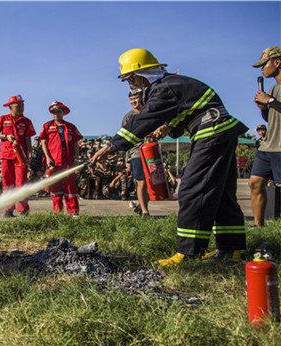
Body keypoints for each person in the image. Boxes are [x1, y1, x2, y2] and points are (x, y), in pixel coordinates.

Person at [91, 48, 248, 266]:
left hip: (211, 133)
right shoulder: (171, 85)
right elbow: (182, 114)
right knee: (220, 193)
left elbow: (143, 119)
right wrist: (167, 127)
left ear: (140, 75)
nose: (132, 84)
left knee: (192, 190)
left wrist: (112, 146)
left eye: (131, 79)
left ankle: (189, 253)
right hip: (221, 132)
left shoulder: (163, 88)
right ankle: (232, 249)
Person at [249, 45, 281, 227]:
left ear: (277, 62)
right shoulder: (274, 89)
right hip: (268, 146)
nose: (262, 68)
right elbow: (272, 118)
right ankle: (258, 225)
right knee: (255, 183)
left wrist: (269, 101)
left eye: (264, 64)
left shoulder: (274, 94)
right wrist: (264, 108)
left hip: (280, 147)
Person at [0, 95, 36, 217]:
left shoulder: (27, 121)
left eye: (22, 105)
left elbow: (28, 138)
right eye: (18, 105)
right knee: (7, 183)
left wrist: (30, 151)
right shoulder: (3, 119)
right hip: (6, 155)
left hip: (21, 156)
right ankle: (9, 209)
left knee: (21, 183)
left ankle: (22, 210)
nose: (21, 107)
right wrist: (5, 136)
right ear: (10, 107)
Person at [39, 101, 83, 215]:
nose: (56, 114)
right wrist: (48, 157)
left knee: (70, 188)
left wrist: (77, 159)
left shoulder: (71, 127)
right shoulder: (47, 126)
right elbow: (43, 142)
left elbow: (75, 144)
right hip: (54, 162)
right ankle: (57, 213)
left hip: (68, 161)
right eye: (53, 112)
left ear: (63, 112)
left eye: (58, 111)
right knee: (55, 187)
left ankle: (74, 213)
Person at [124, 89, 151, 216]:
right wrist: (127, 160)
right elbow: (124, 139)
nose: (134, 101)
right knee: (141, 182)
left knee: (152, 183)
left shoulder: (149, 112)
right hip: (136, 153)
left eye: (136, 98)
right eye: (131, 99)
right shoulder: (128, 117)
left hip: (152, 152)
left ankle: (141, 207)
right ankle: (145, 212)